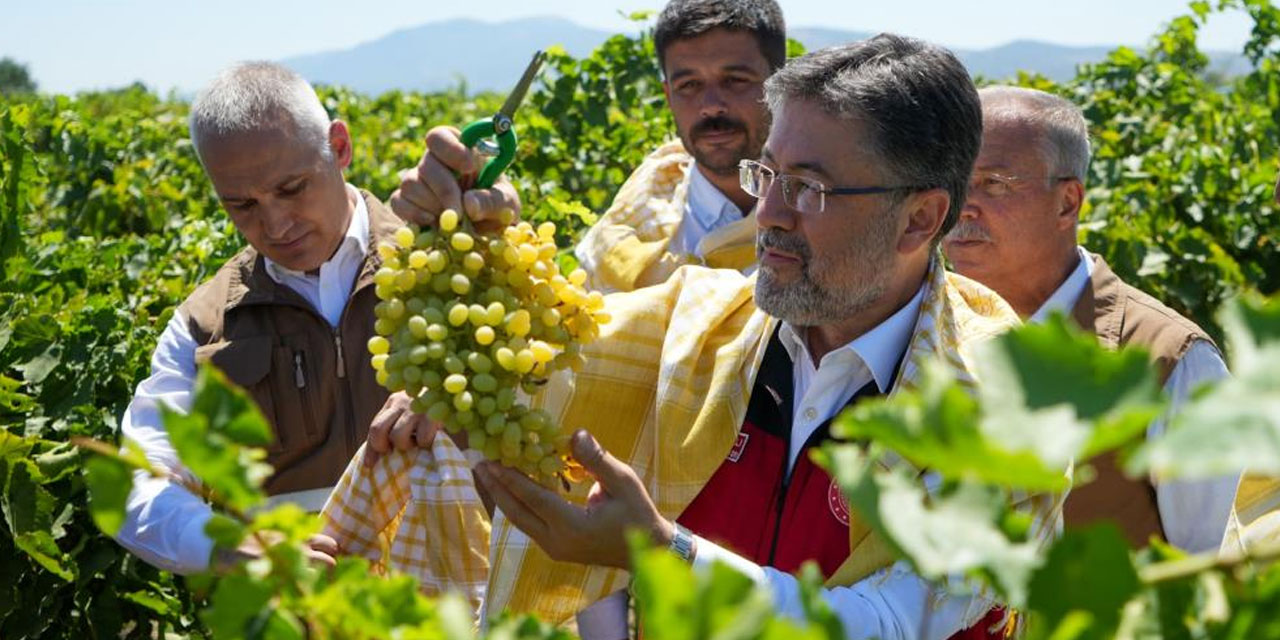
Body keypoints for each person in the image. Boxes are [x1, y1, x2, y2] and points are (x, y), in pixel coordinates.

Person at [329, 35, 1059, 639]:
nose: (766, 212)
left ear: (920, 220)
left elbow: (878, 624)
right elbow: (537, 361)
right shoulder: (704, 329)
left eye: (807, 188)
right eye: (766, 173)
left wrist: (658, 551)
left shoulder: (1003, 405)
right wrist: (472, 238)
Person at [114, 62, 488, 591]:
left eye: (291, 189)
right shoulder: (206, 325)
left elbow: (560, 392)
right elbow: (138, 484)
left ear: (339, 148)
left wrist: (448, 387)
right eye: (241, 205)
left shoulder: (446, 263)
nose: (275, 224)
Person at [943, 86, 1237, 553]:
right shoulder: (926, 329)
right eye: (956, 180)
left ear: (1067, 203)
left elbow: (1214, 569)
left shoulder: (1169, 363)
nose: (963, 205)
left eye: (995, 183)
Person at [392, 0, 784, 293]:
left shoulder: (823, 217)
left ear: (781, 82)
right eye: (689, 85)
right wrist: (482, 231)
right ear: (667, 95)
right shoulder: (631, 223)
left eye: (735, 80)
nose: (711, 105)